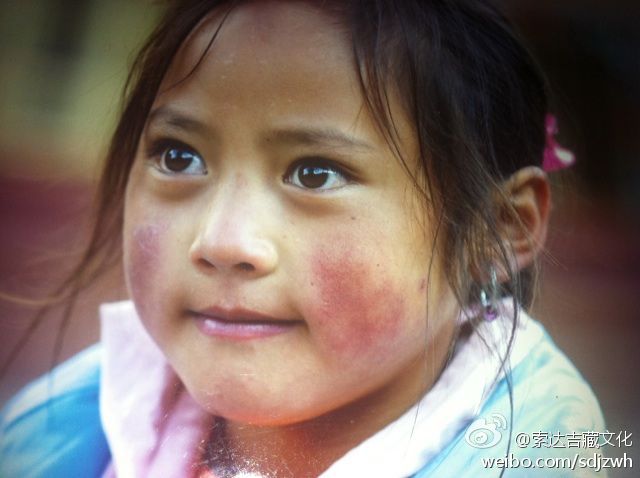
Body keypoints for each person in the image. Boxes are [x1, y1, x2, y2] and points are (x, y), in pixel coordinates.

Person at [0, 1, 605, 476]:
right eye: (179, 157)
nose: (223, 242)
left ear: (499, 230)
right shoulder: (57, 430)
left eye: (315, 174)